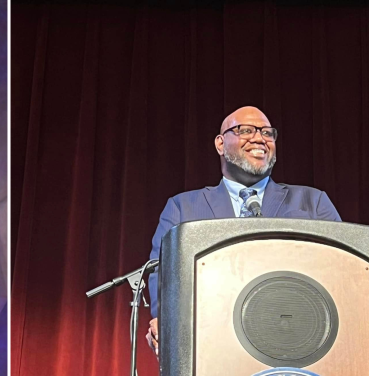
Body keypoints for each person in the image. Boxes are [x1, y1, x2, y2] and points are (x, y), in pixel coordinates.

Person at [146, 106, 341, 355]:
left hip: (296, 342)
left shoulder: (312, 202)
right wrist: (166, 321)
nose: (259, 139)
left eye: (267, 133)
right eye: (245, 130)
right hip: (213, 346)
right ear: (220, 143)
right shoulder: (184, 208)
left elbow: (340, 271)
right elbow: (162, 273)